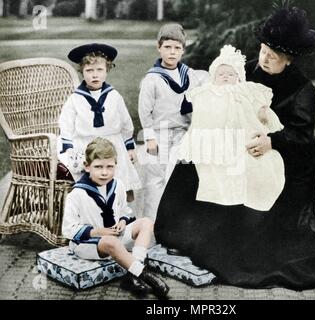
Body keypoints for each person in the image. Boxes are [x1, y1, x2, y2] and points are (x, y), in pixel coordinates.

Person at [154, 6, 315, 290]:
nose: (265, 58)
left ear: (289, 58)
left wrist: (271, 141)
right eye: (263, 50)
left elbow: (302, 136)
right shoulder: (244, 70)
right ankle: (180, 231)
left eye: (273, 56)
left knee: (260, 190)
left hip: (290, 154)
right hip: (241, 143)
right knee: (197, 160)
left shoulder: (302, 90)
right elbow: (219, 95)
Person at [178, 44, 285, 211]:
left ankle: (248, 197)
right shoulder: (209, 92)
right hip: (217, 136)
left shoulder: (244, 90)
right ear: (214, 77)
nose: (225, 77)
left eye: (230, 74)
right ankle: (222, 198)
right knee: (216, 171)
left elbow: (257, 103)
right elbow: (195, 107)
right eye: (221, 74)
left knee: (252, 165)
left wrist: (263, 112)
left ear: (239, 77)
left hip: (243, 133)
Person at [62, 137, 169, 298]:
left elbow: (125, 210)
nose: (104, 172)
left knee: (146, 222)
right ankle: (144, 274)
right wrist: (98, 232)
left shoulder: (118, 185)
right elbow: (68, 230)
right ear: (87, 166)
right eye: (98, 167)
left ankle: (133, 274)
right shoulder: (77, 194)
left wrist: (122, 221)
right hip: (89, 243)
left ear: (115, 166)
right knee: (110, 241)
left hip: (114, 235)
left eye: (109, 167)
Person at [138, 23, 209, 220]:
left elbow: (198, 102)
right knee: (155, 181)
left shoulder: (190, 75)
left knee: (177, 180)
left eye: (177, 48)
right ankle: (151, 228)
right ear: (158, 47)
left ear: (183, 50)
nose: (172, 52)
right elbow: (145, 111)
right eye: (167, 47)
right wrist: (150, 137)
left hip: (183, 135)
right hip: (159, 134)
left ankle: (174, 226)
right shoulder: (152, 79)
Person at [58, 43, 141, 202]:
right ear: (82, 72)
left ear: (107, 70)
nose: (94, 75)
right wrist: (69, 151)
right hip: (87, 146)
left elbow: (125, 123)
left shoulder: (114, 96)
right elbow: (66, 125)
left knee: (117, 184)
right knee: (92, 190)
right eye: (89, 71)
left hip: (113, 145)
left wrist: (129, 147)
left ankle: (118, 217)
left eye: (99, 70)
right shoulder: (75, 99)